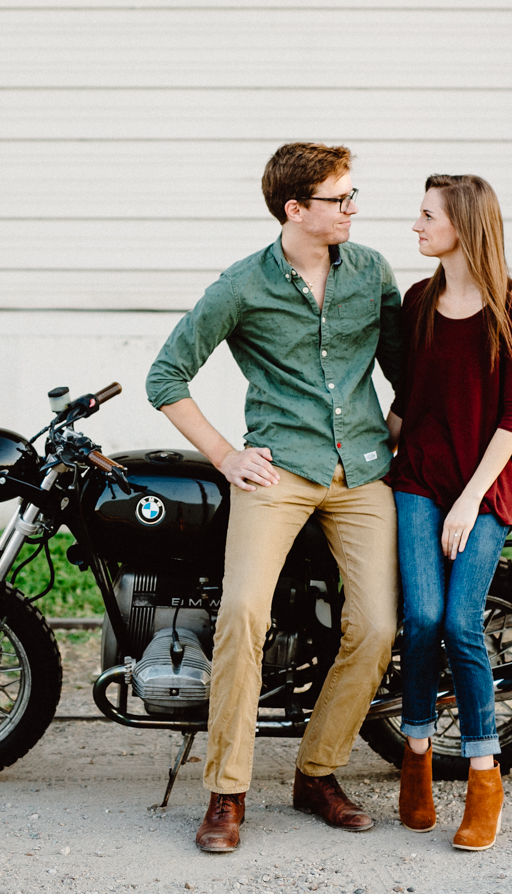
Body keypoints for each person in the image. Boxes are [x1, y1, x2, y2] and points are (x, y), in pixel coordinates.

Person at [145, 142, 404, 853]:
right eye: (340, 199)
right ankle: (227, 793)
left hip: (361, 474)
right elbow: (166, 376)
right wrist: (227, 453)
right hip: (279, 470)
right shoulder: (242, 285)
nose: (353, 209)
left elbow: (406, 370)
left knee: (378, 627)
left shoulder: (374, 272)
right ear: (296, 210)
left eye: (354, 196)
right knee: (241, 615)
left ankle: (317, 773)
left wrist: (391, 433)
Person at [385, 174, 512, 852]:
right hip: (418, 477)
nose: (415, 227)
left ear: (462, 226)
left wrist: (470, 502)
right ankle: (415, 756)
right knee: (418, 620)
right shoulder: (419, 301)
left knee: (458, 622)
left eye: (426, 216)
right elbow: (409, 399)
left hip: (484, 484)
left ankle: (483, 776)